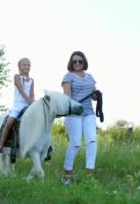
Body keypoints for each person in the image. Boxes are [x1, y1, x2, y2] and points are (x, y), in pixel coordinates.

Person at [61, 51, 99, 184]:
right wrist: (71, 109)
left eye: (80, 61)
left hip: (89, 113)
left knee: (92, 142)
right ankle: (66, 177)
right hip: (74, 114)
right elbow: (67, 97)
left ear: (84, 62)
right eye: (74, 61)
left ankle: (89, 176)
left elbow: (93, 95)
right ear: (71, 63)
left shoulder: (90, 77)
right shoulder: (68, 76)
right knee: (75, 143)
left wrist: (97, 95)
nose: (77, 63)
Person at [0, 57, 35, 154]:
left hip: (28, 104)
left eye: (28, 65)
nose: (26, 66)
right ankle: (0, 145)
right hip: (18, 105)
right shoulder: (17, 77)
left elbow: (32, 94)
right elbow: (21, 90)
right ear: (19, 67)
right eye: (24, 65)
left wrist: (33, 102)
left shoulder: (32, 80)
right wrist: (29, 101)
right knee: (9, 122)